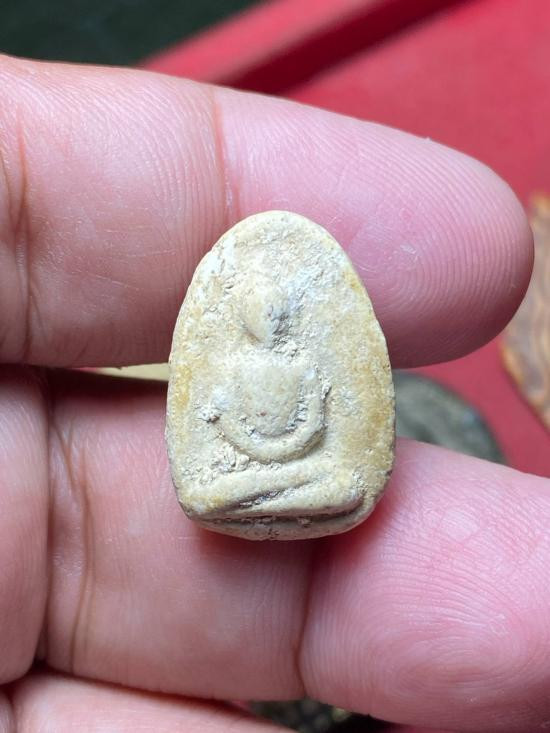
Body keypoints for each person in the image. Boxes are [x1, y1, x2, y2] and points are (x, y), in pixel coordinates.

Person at [0, 53, 543, 733]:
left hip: (302, 474)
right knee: (208, 496)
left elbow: (314, 427)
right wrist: (258, 460)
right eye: (257, 315)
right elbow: (223, 431)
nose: (269, 324)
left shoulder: (305, 366)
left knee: (341, 483)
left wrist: (288, 458)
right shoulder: (228, 368)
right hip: (247, 480)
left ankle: (286, 496)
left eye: (275, 315)